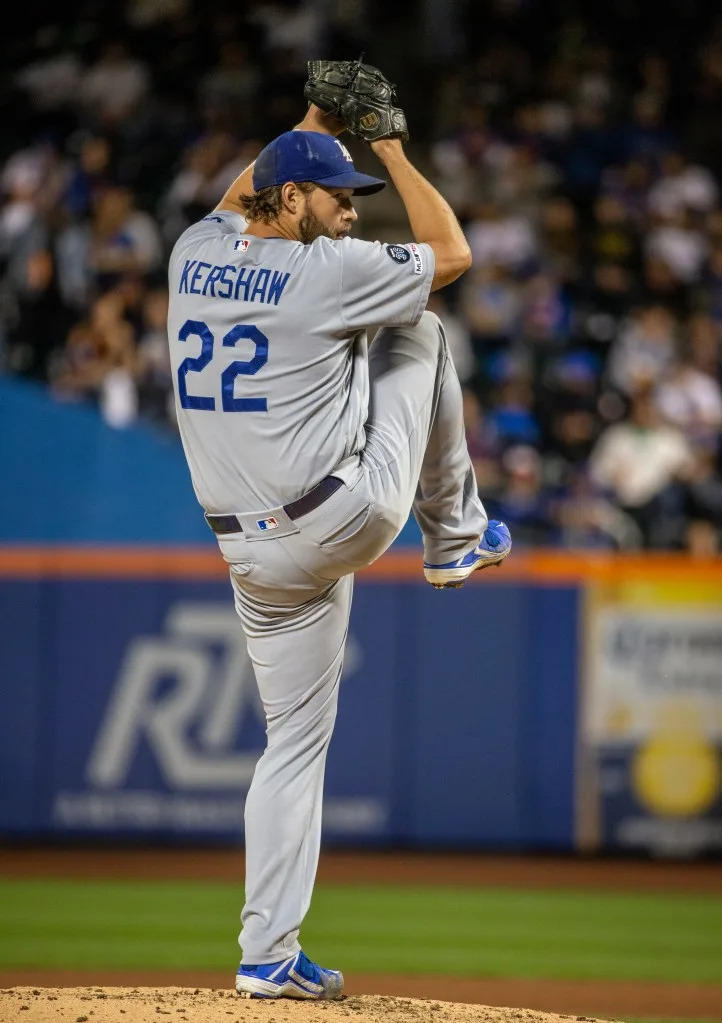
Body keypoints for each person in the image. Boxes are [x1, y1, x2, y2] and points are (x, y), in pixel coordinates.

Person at [166, 96, 511, 1001]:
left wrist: (315, 115)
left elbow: (242, 187)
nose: (351, 207)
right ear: (286, 203)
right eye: (332, 192)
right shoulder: (322, 274)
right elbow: (455, 254)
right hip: (343, 518)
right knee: (425, 329)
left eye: (354, 190)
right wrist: (392, 147)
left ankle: (266, 954)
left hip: (251, 559)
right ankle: (457, 537)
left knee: (289, 747)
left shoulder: (191, 255)